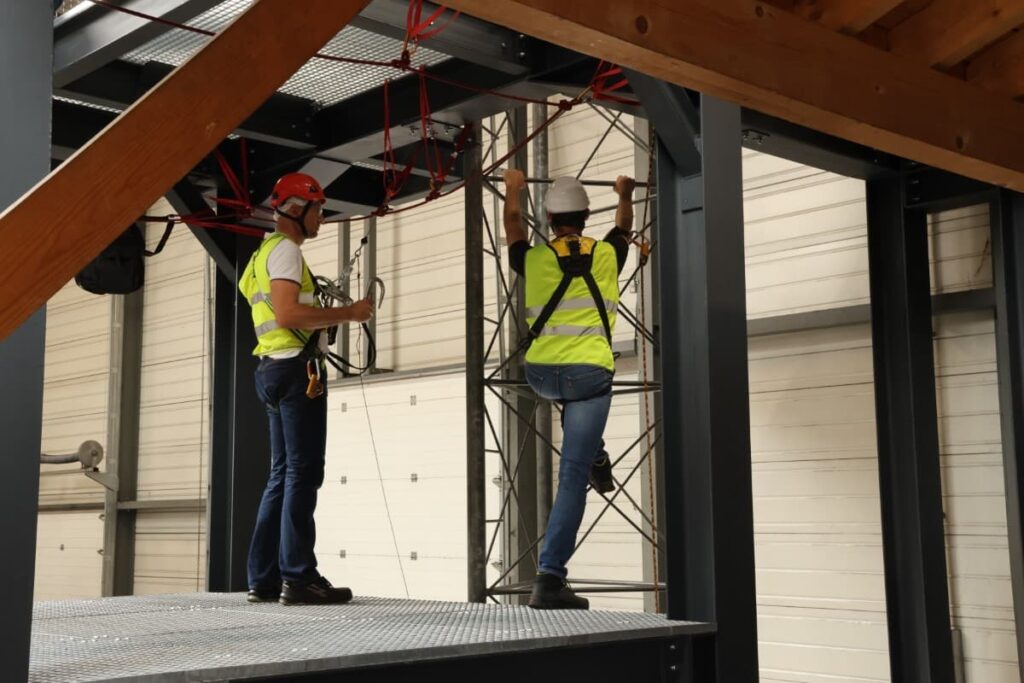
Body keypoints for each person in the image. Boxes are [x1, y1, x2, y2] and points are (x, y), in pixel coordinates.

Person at [239, 172, 374, 605]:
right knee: (302, 472)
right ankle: (298, 576)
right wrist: (348, 313)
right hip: (297, 373)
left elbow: (279, 313)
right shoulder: (285, 254)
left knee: (282, 473)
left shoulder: (261, 256)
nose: (322, 218)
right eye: (318, 209)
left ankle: (264, 577)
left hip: (273, 369)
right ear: (297, 210)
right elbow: (287, 314)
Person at [503, 169, 635, 609]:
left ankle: (595, 453)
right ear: (585, 214)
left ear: (551, 217)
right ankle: (550, 578)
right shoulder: (606, 255)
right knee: (572, 476)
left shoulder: (535, 258)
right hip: (588, 376)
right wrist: (625, 194)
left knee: (572, 404)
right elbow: (623, 228)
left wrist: (512, 189)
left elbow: (512, 228)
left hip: (541, 374)